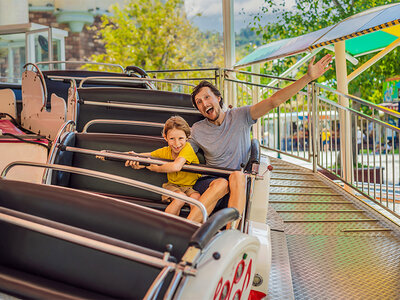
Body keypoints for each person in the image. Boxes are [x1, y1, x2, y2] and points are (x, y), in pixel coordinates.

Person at [187, 54, 333, 224]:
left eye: (207, 97)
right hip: (211, 182)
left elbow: (274, 101)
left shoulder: (240, 115)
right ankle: (184, 230)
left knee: (237, 177)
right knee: (221, 183)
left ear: (218, 98)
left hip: (236, 183)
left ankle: (232, 234)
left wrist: (308, 77)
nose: (204, 103)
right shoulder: (197, 130)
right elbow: (180, 150)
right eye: (199, 102)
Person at [100, 116, 201, 216]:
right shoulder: (165, 151)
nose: (177, 143)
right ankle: (166, 226)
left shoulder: (187, 148)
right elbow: (143, 155)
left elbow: (176, 166)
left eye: (181, 138)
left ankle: (193, 226)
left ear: (187, 137)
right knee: (180, 198)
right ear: (165, 138)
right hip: (173, 186)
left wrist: (156, 168)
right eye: (172, 139)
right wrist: (111, 154)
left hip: (190, 187)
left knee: (196, 198)